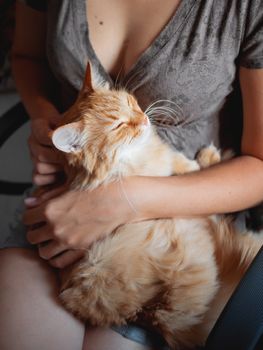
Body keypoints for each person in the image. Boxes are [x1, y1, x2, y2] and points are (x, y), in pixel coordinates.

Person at [0, 0, 263, 349]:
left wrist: (123, 201)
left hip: (182, 223)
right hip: (62, 204)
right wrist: (48, 121)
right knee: (20, 301)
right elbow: (26, 57)